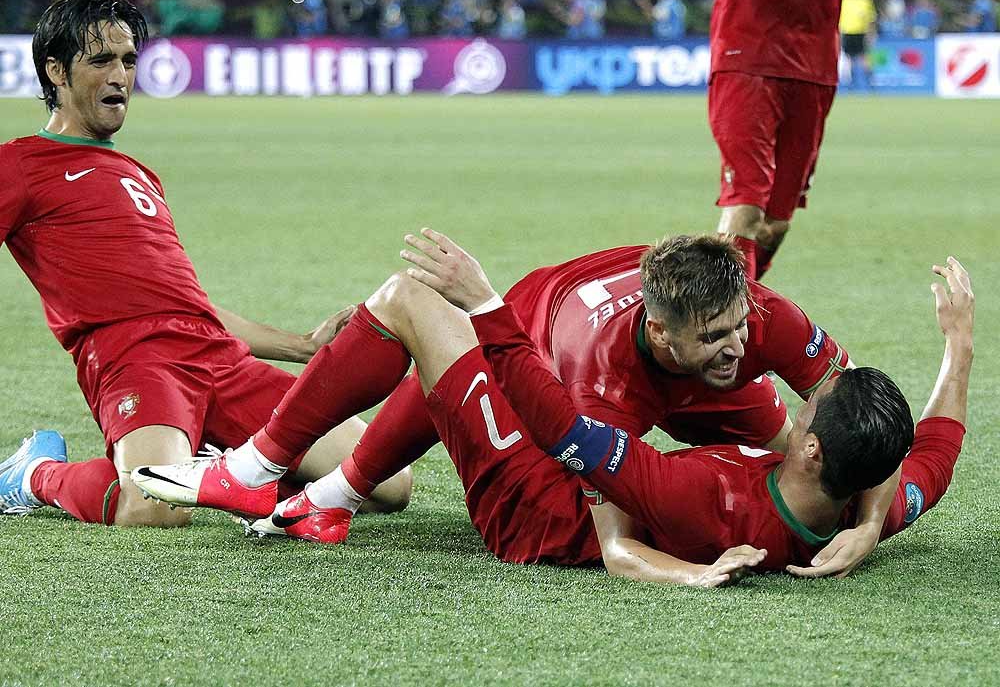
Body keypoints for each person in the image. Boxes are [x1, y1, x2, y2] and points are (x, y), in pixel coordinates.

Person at [134, 232, 972, 587]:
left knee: (411, 302)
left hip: (530, 506)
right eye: (716, 333)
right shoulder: (864, 499)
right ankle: (326, 497)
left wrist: (484, 303)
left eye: (737, 330)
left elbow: (596, 499)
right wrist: (959, 345)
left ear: (816, 452)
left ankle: (260, 467)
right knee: (454, 358)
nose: (737, 346)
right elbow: (931, 449)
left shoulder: (698, 490)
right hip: (572, 355)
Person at [0, 0, 412, 527]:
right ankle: (35, 474)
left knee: (385, 483)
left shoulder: (139, 174)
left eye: (128, 60)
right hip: (136, 359)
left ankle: (214, 468)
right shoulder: (19, 165)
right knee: (152, 511)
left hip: (219, 359)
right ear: (56, 71)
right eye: (100, 61)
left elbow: (187, 308)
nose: (119, 77)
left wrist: (304, 346)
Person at [708, 0, 843, 279]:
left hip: (815, 66)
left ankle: (734, 295)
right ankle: (724, 307)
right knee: (746, 206)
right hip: (748, 55)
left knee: (775, 225)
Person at [840, 0, 877, 90]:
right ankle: (852, 84)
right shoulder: (842, 0)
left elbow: (871, 19)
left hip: (861, 32)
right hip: (846, 32)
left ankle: (870, 82)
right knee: (849, 58)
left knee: (864, 58)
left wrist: (871, 33)